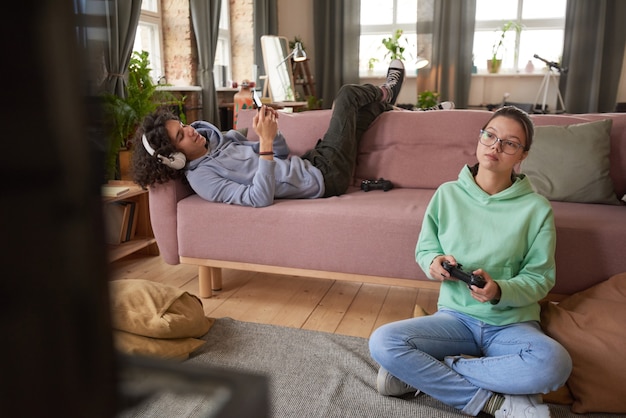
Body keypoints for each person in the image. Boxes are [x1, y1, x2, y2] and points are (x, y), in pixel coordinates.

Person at [369, 106, 572, 417]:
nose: (496, 147)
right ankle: (492, 402)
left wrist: (499, 290)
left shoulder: (536, 209)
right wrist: (434, 262)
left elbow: (540, 278)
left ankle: (437, 369)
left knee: (554, 364)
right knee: (383, 342)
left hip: (511, 325)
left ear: (522, 155)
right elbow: (425, 249)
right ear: (479, 139)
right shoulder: (447, 194)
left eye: (510, 143)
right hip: (454, 320)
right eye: (490, 136)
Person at [132, 60, 406, 208]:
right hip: (325, 179)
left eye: (184, 126)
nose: (190, 131)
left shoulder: (223, 140)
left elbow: (282, 156)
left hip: (312, 163)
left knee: (359, 117)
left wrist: (272, 133)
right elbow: (258, 197)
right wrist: (264, 142)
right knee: (346, 96)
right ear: (174, 158)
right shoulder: (203, 179)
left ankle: (409, 110)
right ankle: (388, 91)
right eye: (181, 136)